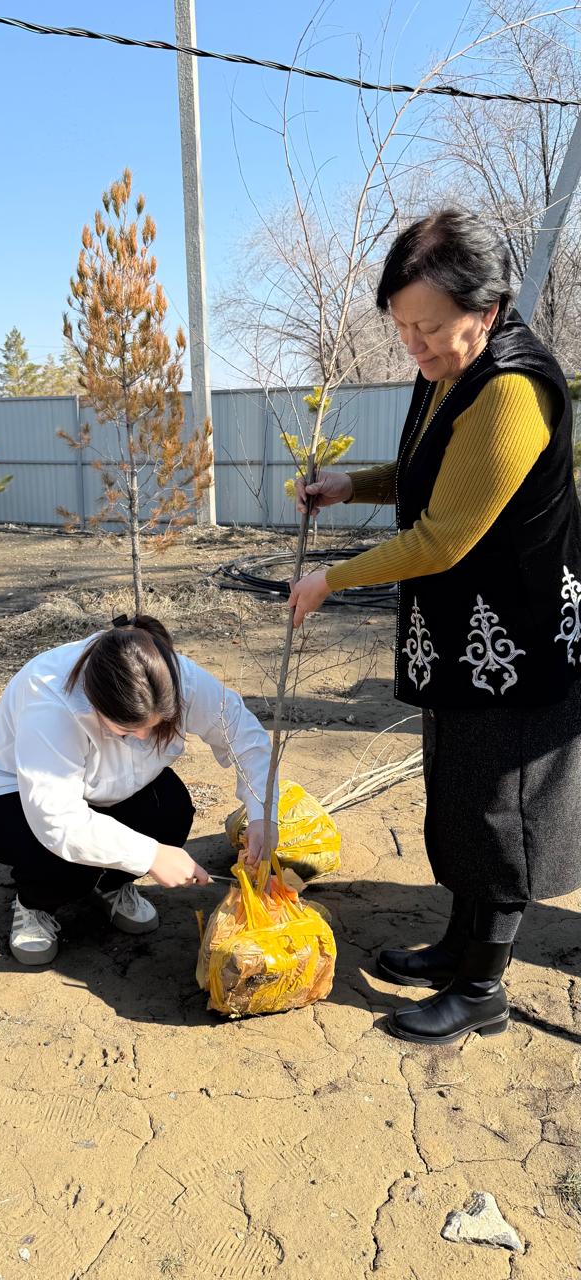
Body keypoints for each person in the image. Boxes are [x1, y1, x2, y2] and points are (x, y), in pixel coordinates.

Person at [290, 208, 581, 1045]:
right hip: (461, 632)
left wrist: (330, 580)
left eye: (428, 327)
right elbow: (431, 472)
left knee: (500, 808)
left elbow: (444, 537)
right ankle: (458, 948)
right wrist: (352, 484)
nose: (412, 344)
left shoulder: (511, 390)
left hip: (515, 638)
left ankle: (483, 990)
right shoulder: (451, 369)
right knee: (459, 790)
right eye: (401, 327)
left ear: (486, 311)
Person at [0, 614, 278, 966]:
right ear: (95, 703)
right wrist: (151, 856)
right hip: (12, 796)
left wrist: (262, 815)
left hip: (107, 786)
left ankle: (111, 884)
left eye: (155, 725)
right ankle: (34, 904)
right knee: (67, 864)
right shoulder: (50, 701)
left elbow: (244, 738)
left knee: (171, 813)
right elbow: (56, 820)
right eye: (127, 730)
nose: (143, 737)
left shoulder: (174, 676)